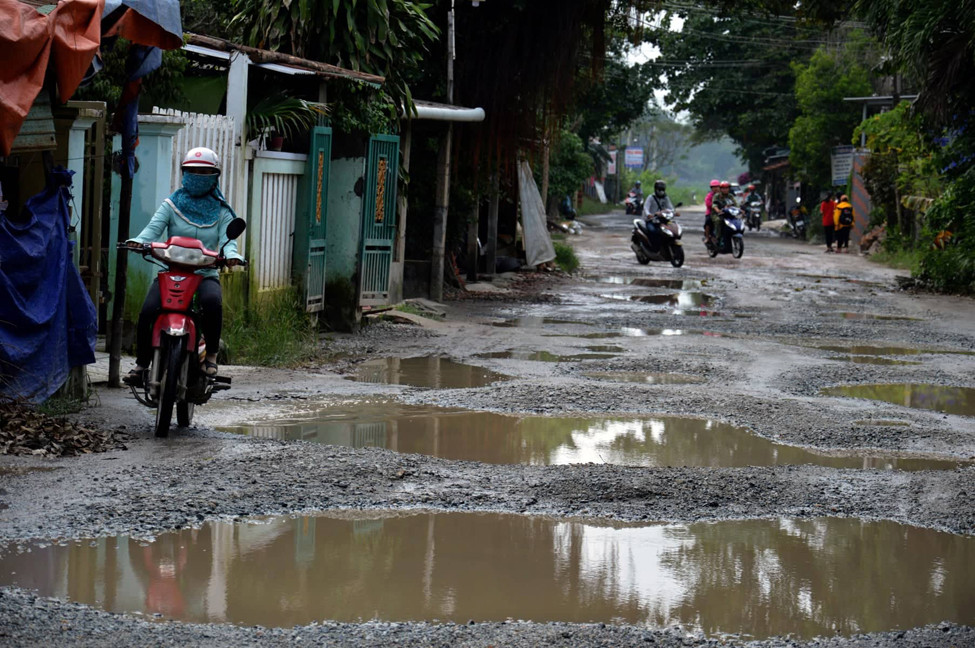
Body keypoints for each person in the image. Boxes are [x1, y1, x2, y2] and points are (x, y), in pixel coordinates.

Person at [123, 147, 244, 386]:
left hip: (205, 274)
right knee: (148, 310)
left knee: (212, 302)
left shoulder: (221, 211)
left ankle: (210, 354)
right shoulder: (171, 205)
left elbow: (229, 242)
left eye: (204, 172)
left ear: (215, 176)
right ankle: (141, 364)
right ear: (183, 173)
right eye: (192, 171)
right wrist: (139, 242)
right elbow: (152, 230)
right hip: (172, 273)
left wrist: (232, 256)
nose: (197, 176)